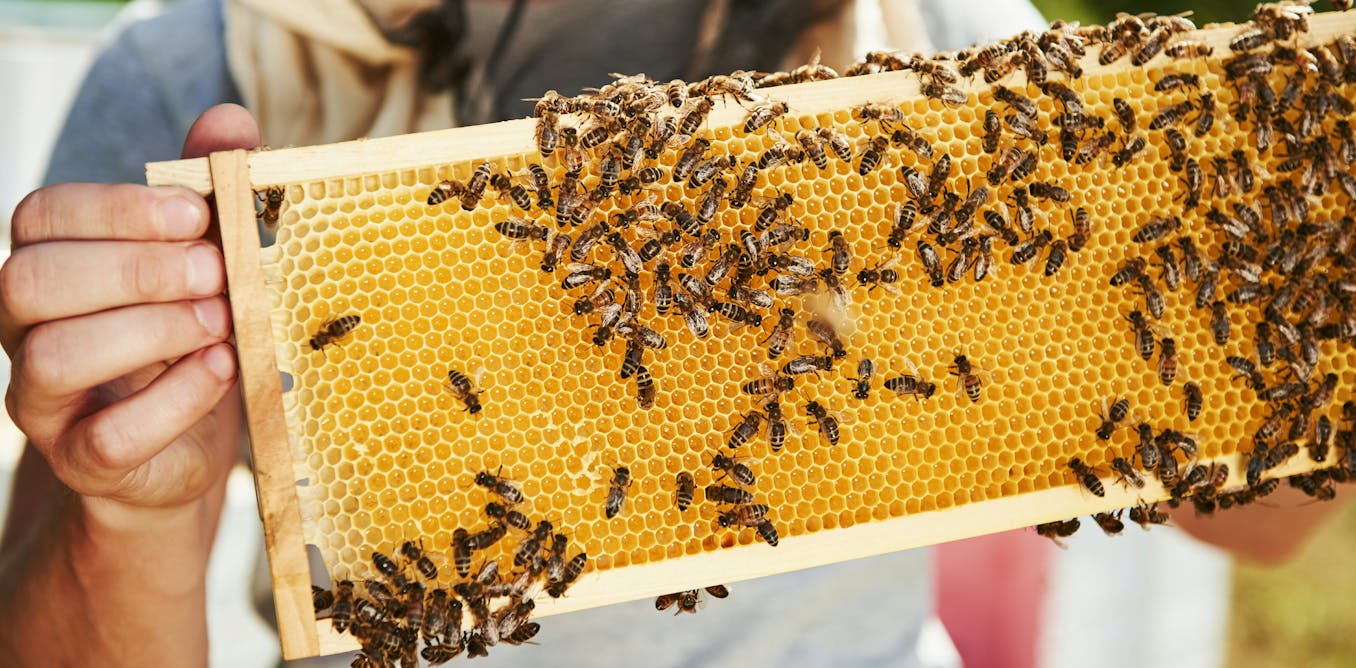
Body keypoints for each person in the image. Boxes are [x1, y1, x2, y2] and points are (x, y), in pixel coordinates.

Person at [0, 1, 1346, 667]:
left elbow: (1266, 519)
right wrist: (126, 513)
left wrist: (1311, 299)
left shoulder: (939, 35)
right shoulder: (197, 80)